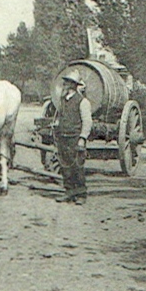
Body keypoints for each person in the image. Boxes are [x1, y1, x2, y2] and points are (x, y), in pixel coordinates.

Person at [53, 70, 93, 205]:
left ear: (74, 85)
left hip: (75, 138)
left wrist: (82, 138)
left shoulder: (82, 102)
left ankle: (81, 194)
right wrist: (57, 124)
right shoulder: (63, 100)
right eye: (65, 82)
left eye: (68, 82)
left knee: (77, 166)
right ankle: (69, 192)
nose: (64, 84)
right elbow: (60, 116)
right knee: (65, 166)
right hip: (63, 137)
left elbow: (87, 122)